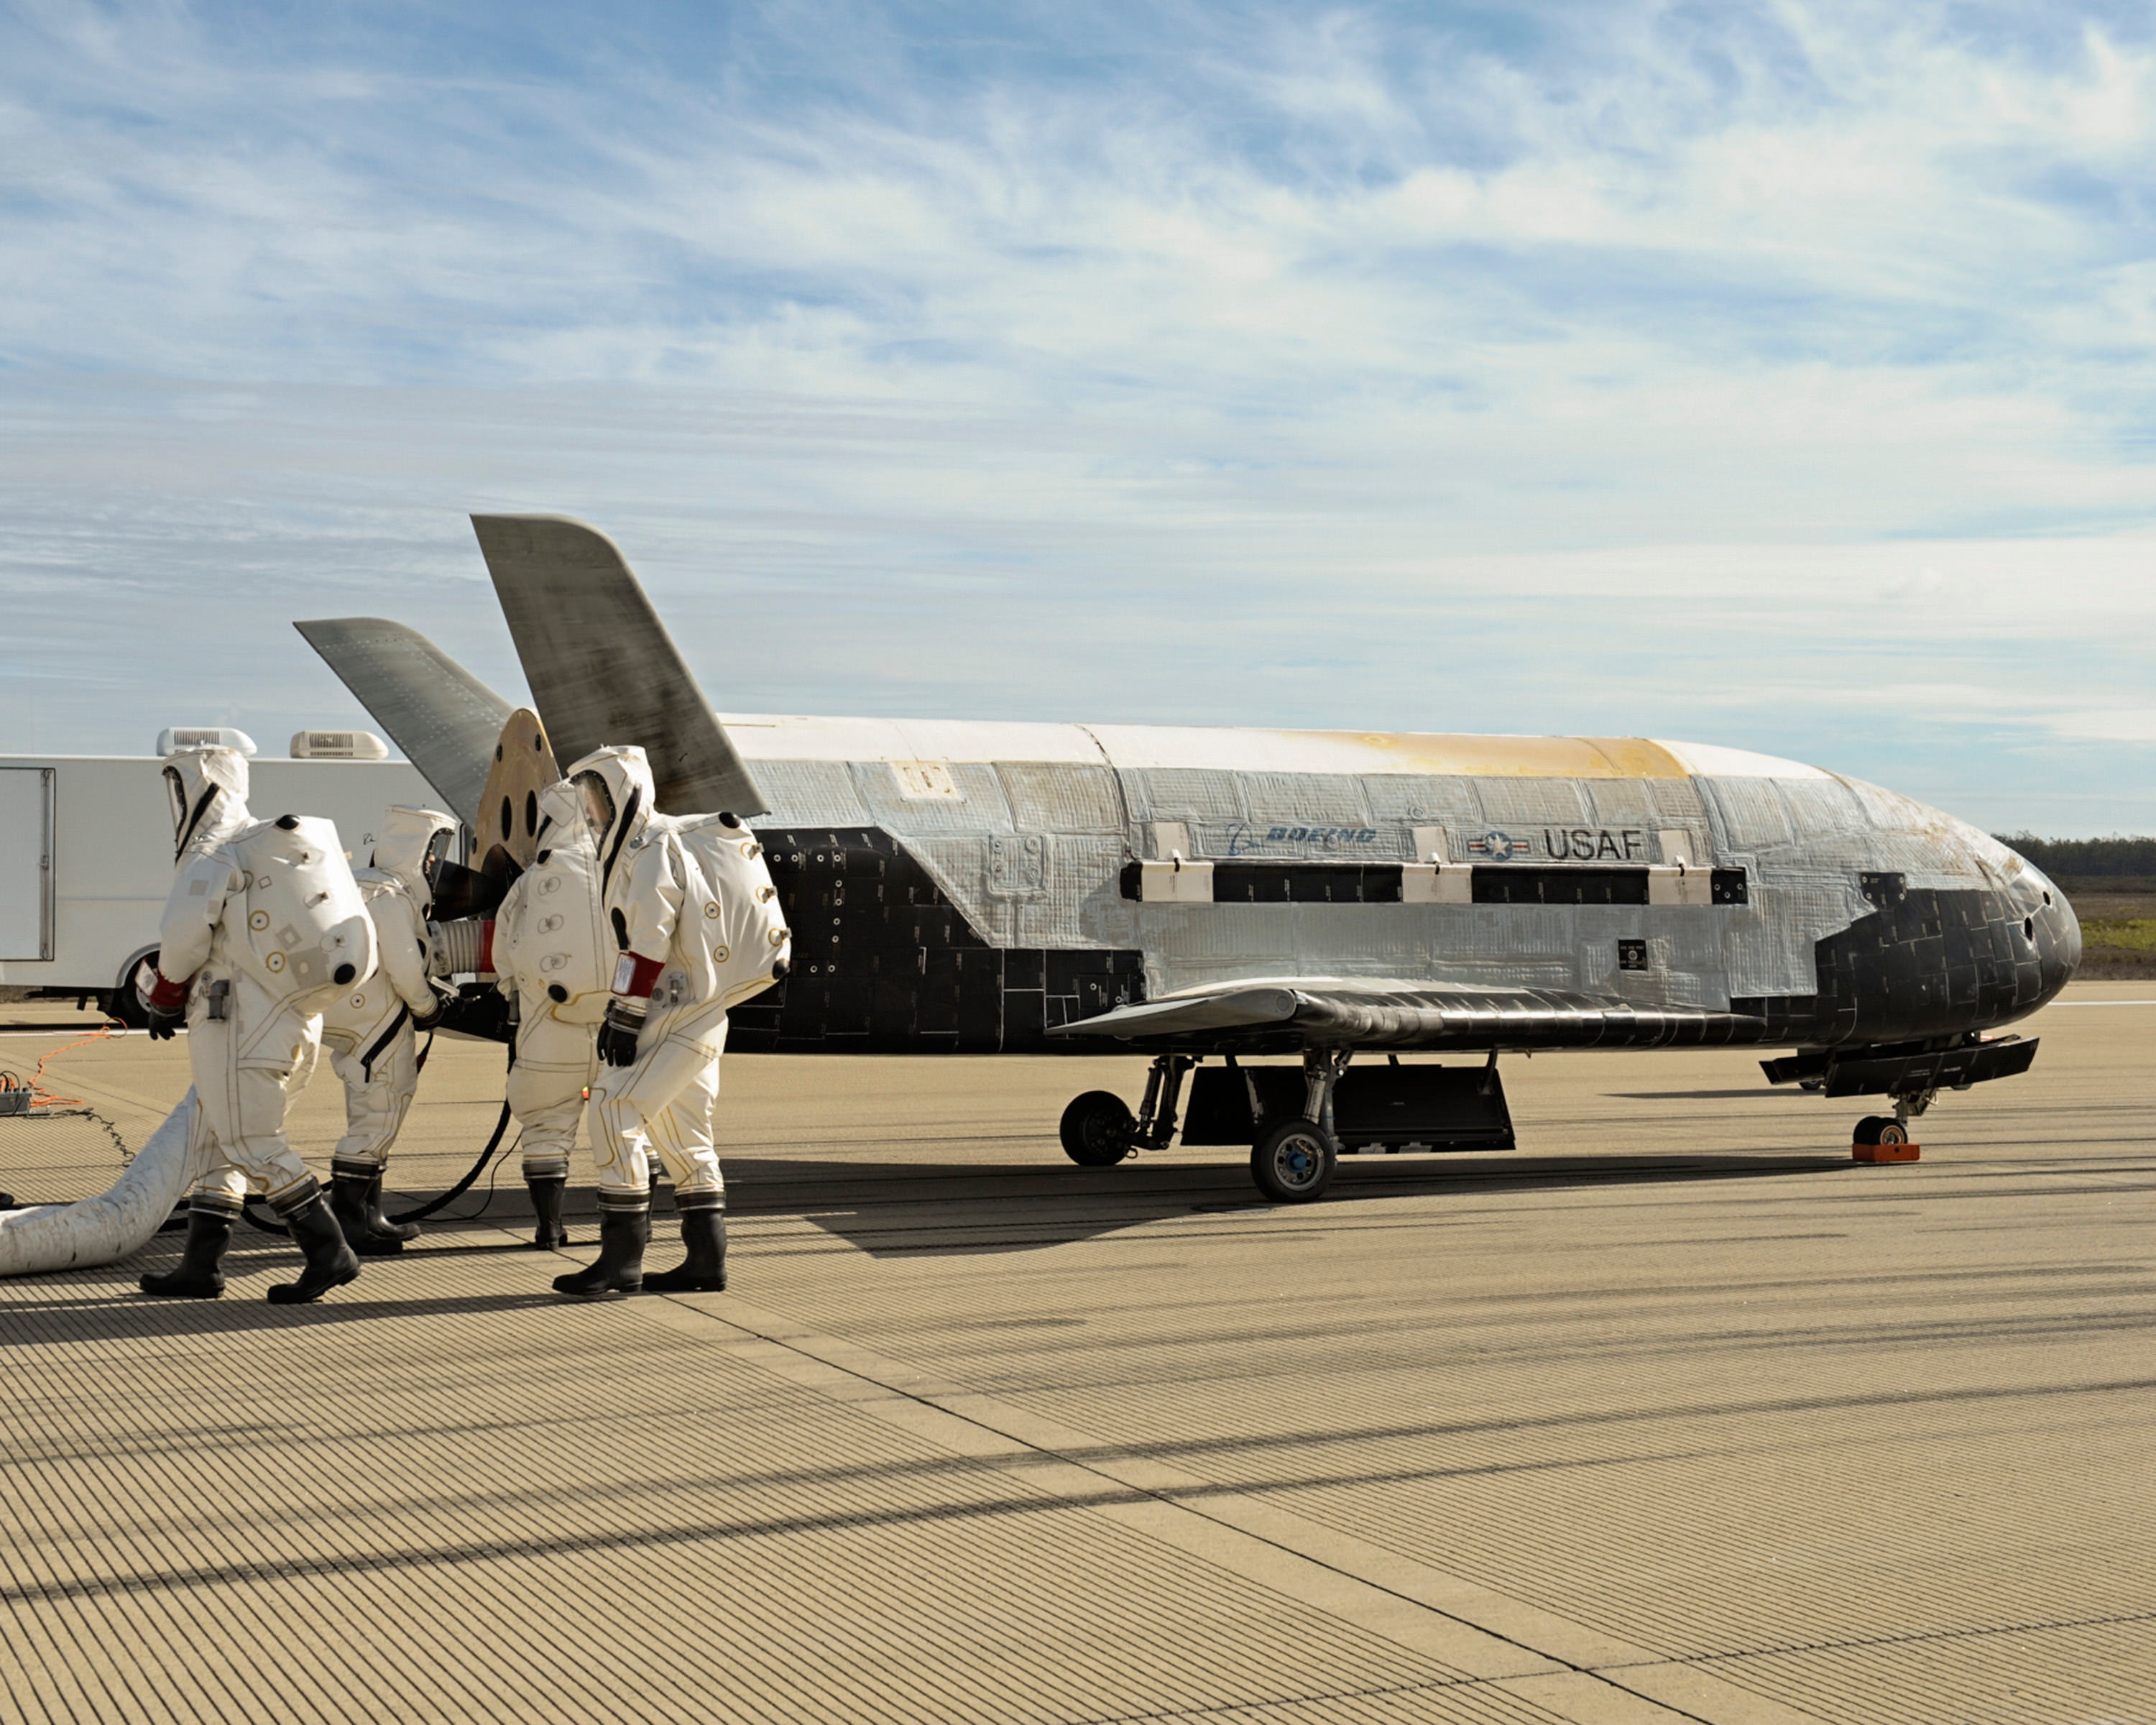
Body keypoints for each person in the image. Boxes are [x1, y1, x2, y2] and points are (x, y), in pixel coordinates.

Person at [552, 745, 789, 1299]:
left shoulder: (651, 846)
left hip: (675, 1013)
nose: (591, 814)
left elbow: (648, 935)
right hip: (700, 1013)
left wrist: (625, 1012)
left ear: (625, 793)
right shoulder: (660, 843)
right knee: (682, 1136)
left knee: (613, 1111)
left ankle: (621, 1260)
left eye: (597, 799)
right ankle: (706, 1262)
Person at [137, 747, 366, 1303]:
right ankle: (201, 1265)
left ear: (202, 790)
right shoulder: (263, 852)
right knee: (221, 1140)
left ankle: (328, 1251)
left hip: (240, 1024)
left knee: (250, 1140)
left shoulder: (217, 852)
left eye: (179, 789)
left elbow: (185, 931)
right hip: (290, 1020)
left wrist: (165, 996)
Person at [491, 777, 636, 1249]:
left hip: (549, 1029)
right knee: (631, 1124)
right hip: (622, 1028)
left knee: (546, 1126)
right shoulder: (628, 872)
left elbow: (505, 957)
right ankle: (639, 1229)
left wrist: (513, 994)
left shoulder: (533, 881)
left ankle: (550, 1228)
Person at [317, 806, 458, 1255]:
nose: (436, 866)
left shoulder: (351, 881)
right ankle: (354, 1225)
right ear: (422, 854)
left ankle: (366, 1217)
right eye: (434, 855)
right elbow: (402, 963)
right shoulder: (389, 894)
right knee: (381, 1111)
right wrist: (428, 1006)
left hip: (343, 1017)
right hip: (378, 1018)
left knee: (366, 1111)